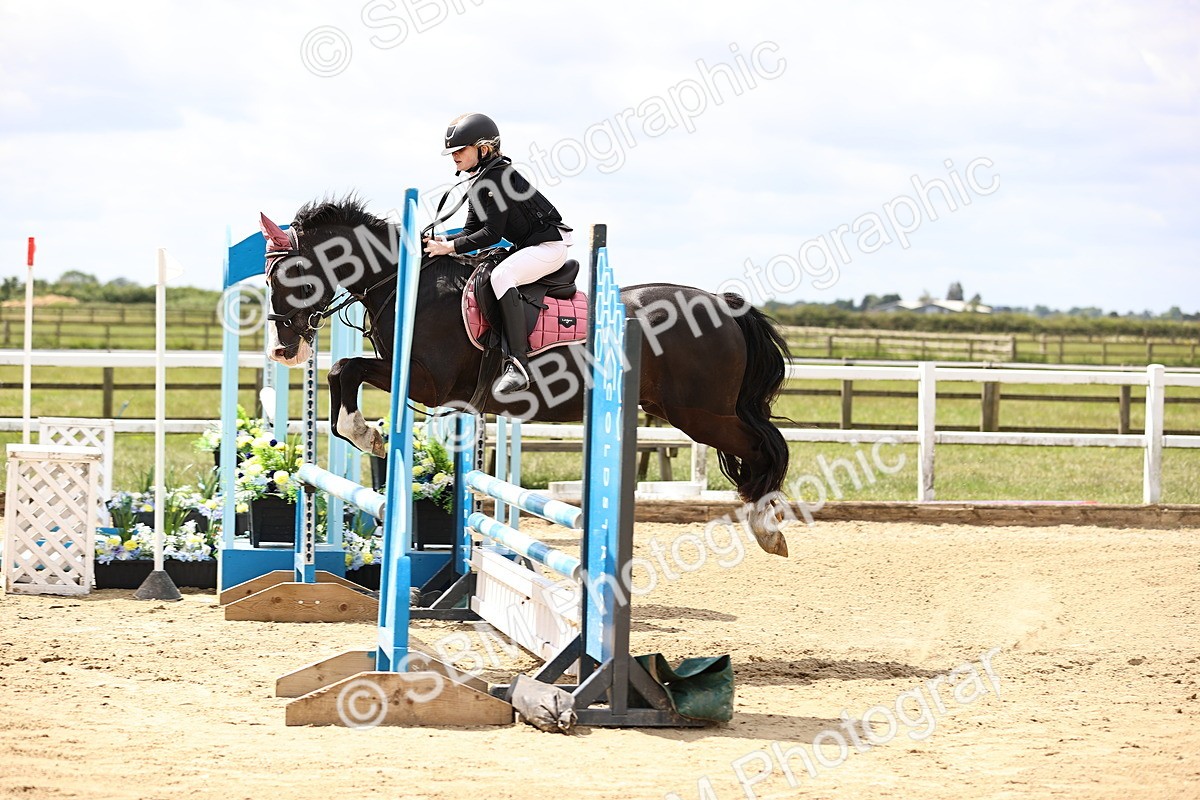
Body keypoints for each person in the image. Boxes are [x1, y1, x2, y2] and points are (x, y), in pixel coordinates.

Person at [423, 113, 572, 395]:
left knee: (502, 275)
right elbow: (470, 231)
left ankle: (519, 364)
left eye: (459, 150)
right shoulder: (480, 179)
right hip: (529, 246)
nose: (453, 156)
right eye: (452, 151)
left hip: (549, 247)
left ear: (483, 149)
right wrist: (438, 240)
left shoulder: (499, 179)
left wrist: (450, 247)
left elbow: (491, 235)